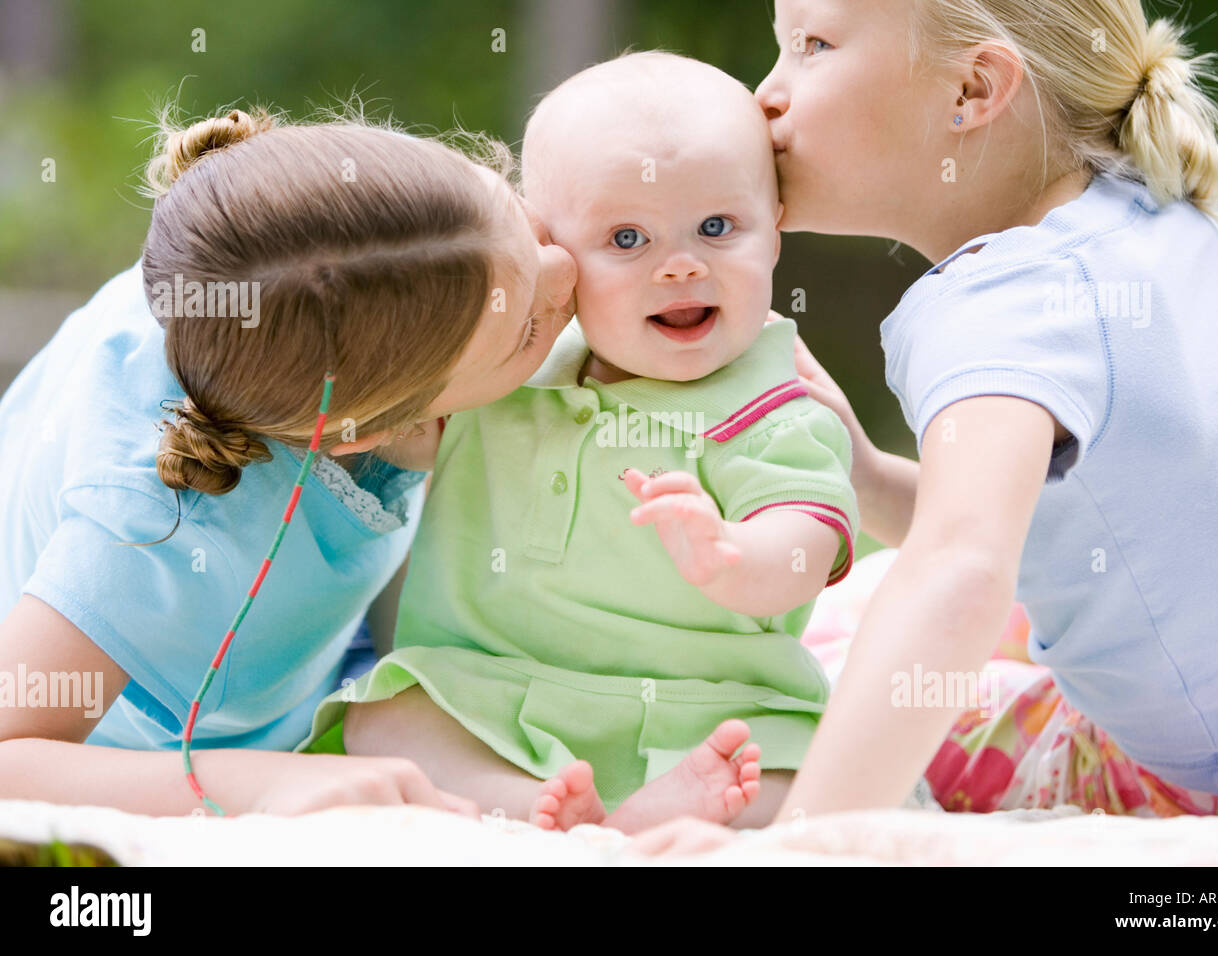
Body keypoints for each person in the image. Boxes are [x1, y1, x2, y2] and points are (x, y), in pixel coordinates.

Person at [634, 0, 1218, 853]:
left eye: (813, 46)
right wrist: (869, 477)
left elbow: (961, 576)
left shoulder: (1001, 301)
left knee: (805, 681)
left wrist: (805, 845)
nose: (764, 94)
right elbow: (1088, 529)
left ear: (973, 88)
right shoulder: (1142, 214)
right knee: (878, 593)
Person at [298, 53, 861, 834]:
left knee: (828, 778)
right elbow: (391, 429)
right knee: (385, 717)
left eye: (717, 227)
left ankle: (650, 808)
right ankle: (533, 804)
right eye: (627, 238)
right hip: (496, 693)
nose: (682, 263)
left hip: (717, 710)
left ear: (773, 233)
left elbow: (808, 541)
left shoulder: (773, 401)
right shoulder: (504, 370)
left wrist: (733, 554)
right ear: (551, 256)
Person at [0, 104, 577, 817]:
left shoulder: (383, 237)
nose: (565, 268)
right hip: (177, 734)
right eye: (527, 330)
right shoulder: (148, 531)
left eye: (511, 201)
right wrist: (252, 782)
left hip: (306, 649)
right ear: (365, 429)